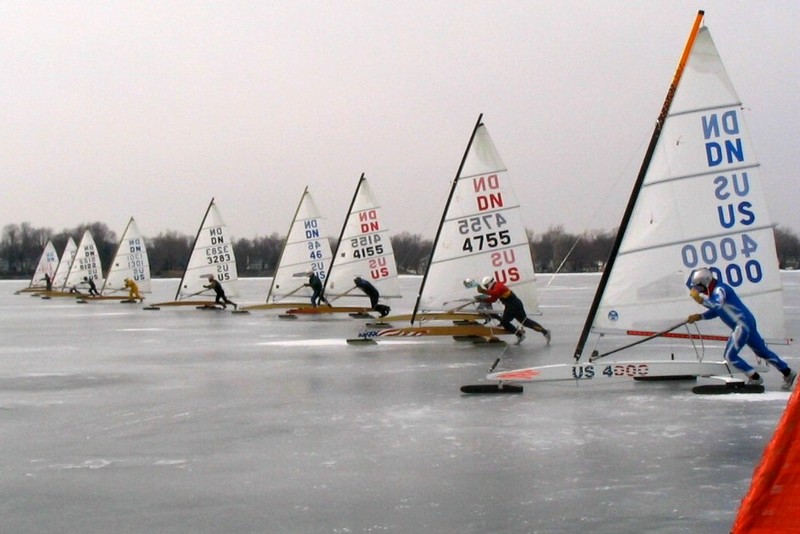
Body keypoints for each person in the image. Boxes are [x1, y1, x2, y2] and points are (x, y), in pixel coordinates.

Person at [687, 267, 796, 390]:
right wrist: (700, 317)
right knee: (762, 351)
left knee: (730, 356)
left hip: (742, 325)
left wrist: (700, 300)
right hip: (747, 322)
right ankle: (787, 372)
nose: (699, 291)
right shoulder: (715, 292)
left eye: (699, 287)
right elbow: (718, 311)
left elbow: (717, 306)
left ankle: (754, 377)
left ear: (705, 282)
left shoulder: (719, 289)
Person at [475, 276, 550, 345]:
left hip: (513, 305)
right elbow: (493, 299)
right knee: (525, 322)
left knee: (505, 322)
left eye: (486, 286)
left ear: (490, 283)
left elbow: (495, 293)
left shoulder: (498, 285)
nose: (486, 287)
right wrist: (483, 300)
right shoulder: (494, 288)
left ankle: (520, 335)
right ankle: (544, 332)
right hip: (513, 304)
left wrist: (483, 291)